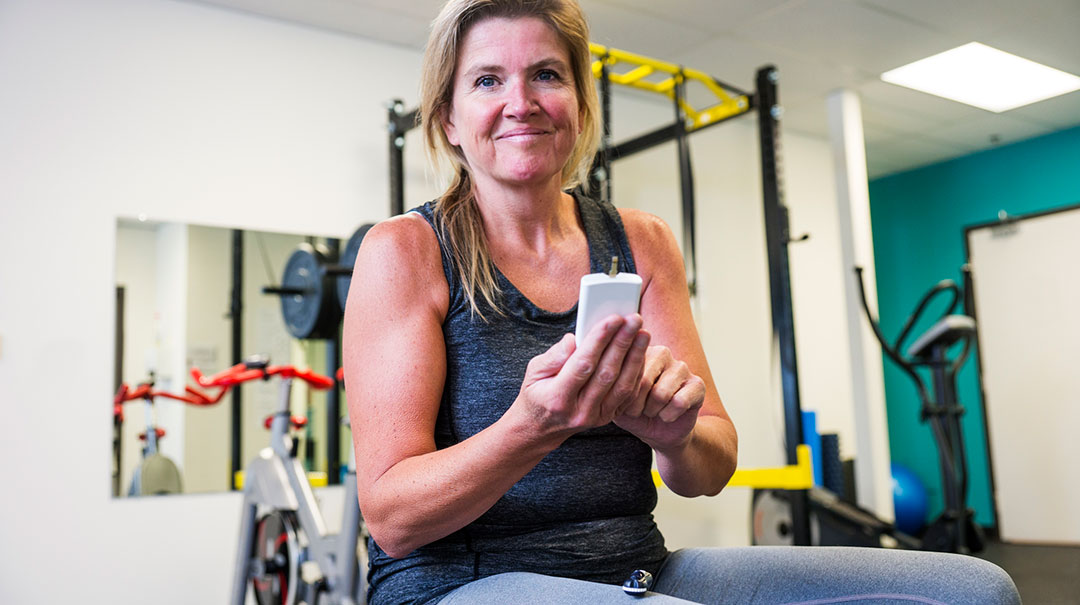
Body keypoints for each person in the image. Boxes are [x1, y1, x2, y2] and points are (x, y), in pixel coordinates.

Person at [342, 1, 1021, 603]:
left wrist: (670, 430)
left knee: (973, 588)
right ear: (449, 120)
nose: (521, 100)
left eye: (547, 74)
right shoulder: (406, 251)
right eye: (488, 80)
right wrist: (533, 425)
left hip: (639, 568)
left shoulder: (641, 241)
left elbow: (713, 462)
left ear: (579, 103)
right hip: (461, 582)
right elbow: (393, 518)